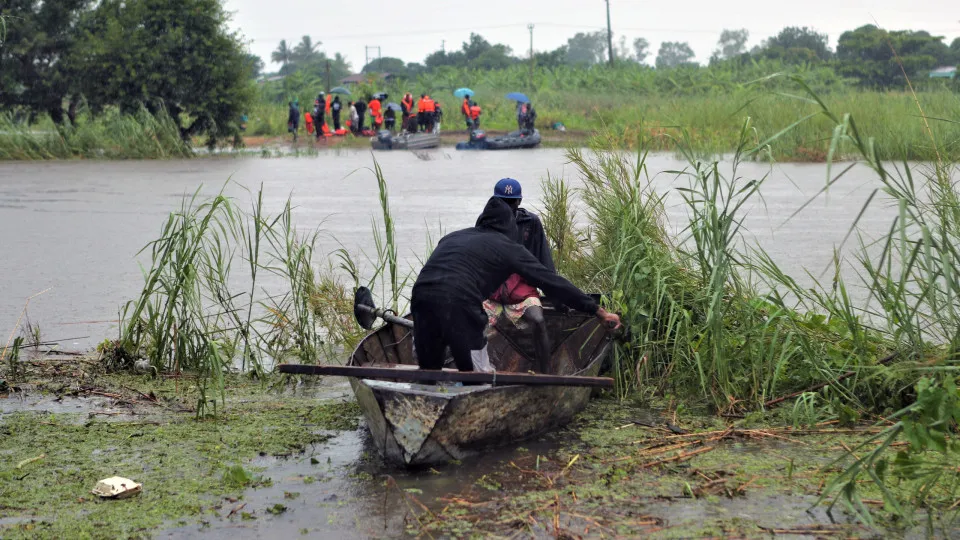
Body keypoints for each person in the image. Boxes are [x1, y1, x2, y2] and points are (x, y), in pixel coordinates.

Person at [411, 196, 621, 373]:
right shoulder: (508, 248)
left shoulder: (451, 238)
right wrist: (598, 311)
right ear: (510, 227)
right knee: (476, 376)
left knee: (429, 372)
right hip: (461, 300)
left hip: (421, 298)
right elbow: (552, 282)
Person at [482, 178, 555, 372]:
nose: (507, 207)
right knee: (474, 322)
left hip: (522, 289)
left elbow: (544, 259)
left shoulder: (530, 222)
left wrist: (555, 294)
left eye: (511, 202)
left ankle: (546, 373)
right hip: (493, 289)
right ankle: (476, 369)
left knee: (538, 320)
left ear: (519, 202)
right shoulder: (487, 222)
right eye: (502, 202)